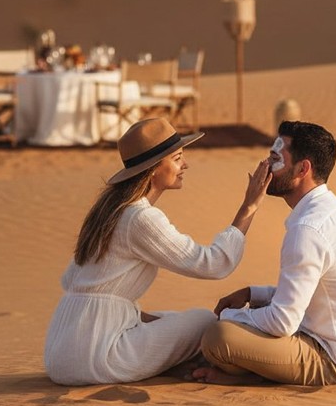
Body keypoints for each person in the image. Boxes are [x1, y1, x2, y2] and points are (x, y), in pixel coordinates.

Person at [45, 117, 272, 385]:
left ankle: (170, 363)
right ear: (154, 168)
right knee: (201, 320)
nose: (185, 164)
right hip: (96, 356)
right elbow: (214, 264)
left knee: (168, 319)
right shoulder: (140, 218)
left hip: (60, 352)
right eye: (177, 158)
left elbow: (91, 287)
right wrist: (249, 207)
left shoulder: (108, 210)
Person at [193, 120, 336, 387]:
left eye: (275, 158)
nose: (264, 166)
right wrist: (254, 295)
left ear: (303, 168)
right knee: (239, 326)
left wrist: (230, 316)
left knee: (218, 337)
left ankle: (251, 379)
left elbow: (282, 322)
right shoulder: (334, 212)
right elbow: (313, 294)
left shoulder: (308, 228)